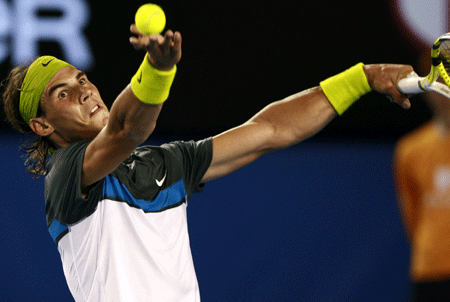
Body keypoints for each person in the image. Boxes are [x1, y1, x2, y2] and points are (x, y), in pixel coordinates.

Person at [1, 23, 413, 302]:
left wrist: (363, 76)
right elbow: (127, 129)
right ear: (41, 125)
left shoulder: (168, 163)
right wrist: (158, 70)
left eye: (82, 80)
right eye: (63, 94)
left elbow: (270, 130)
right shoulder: (65, 174)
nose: (84, 92)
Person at [393, 51, 450, 302]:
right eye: (436, 86)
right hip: (430, 271)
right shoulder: (410, 150)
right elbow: (412, 215)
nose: (444, 95)